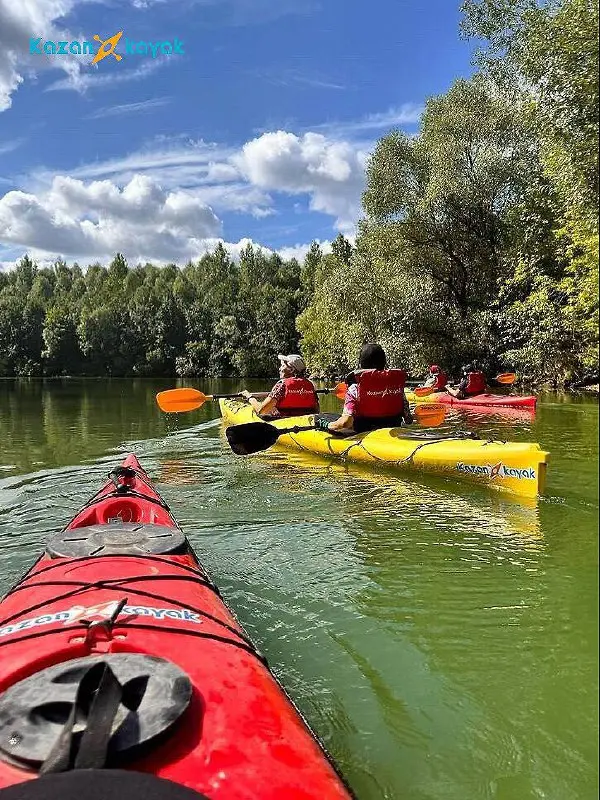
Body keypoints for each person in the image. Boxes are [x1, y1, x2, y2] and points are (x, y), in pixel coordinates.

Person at [319, 343, 413, 433]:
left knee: (323, 418)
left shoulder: (355, 389)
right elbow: (408, 419)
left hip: (364, 434)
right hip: (393, 432)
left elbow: (346, 422)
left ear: (361, 364)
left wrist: (327, 425)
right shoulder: (397, 387)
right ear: (384, 362)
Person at [240, 354, 319, 418]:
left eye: (283, 366)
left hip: (285, 422)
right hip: (305, 422)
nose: (279, 369)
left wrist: (249, 397)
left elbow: (261, 411)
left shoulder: (282, 385)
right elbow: (316, 410)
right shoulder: (310, 385)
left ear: (291, 370)